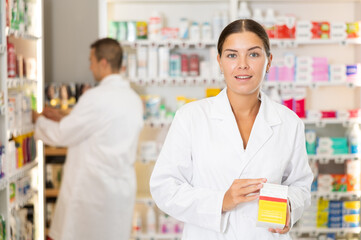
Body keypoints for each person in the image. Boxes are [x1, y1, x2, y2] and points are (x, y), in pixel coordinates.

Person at [149, 19, 313, 239]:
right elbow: (164, 187)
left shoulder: (289, 122)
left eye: (253, 54)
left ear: (269, 60)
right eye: (232, 55)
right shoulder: (191, 117)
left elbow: (300, 185)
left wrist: (290, 208)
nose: (242, 64)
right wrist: (221, 201)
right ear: (219, 61)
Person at [33, 38, 144, 240]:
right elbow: (100, 127)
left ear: (103, 63)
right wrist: (63, 117)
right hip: (120, 191)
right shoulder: (133, 99)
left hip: (91, 193)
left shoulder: (96, 97)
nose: (90, 66)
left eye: (91, 60)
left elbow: (62, 134)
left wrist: (38, 121)